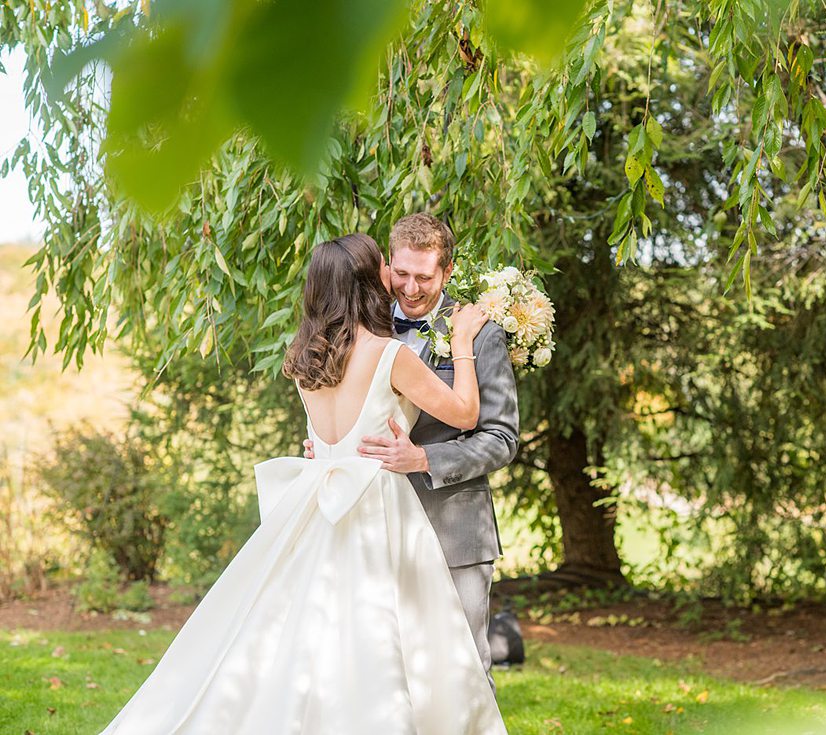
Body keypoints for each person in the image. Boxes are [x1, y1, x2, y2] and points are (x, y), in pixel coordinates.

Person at [97, 233, 508, 735]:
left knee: (317, 646)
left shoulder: (304, 356)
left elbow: (333, 430)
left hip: (320, 508)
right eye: (386, 268)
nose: (395, 279)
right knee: (389, 645)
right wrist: (461, 343)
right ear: (368, 281)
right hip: (378, 507)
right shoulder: (389, 354)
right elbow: (466, 411)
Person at [303, 214, 519, 687]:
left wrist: (424, 459)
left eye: (424, 277)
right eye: (401, 274)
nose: (411, 288)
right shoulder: (362, 329)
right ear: (386, 266)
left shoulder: (479, 334)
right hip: (372, 533)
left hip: (452, 529)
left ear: (447, 271)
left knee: (460, 672)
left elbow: (501, 438)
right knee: (386, 673)